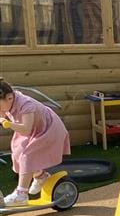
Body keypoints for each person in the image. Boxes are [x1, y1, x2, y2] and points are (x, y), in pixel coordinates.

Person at [0, 78, 71, 207]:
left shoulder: (26, 105)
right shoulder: (7, 103)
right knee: (17, 152)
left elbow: (26, 129)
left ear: (9, 98)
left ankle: (21, 194)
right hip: (35, 129)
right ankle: (41, 176)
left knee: (28, 155)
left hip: (49, 129)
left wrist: (9, 123)